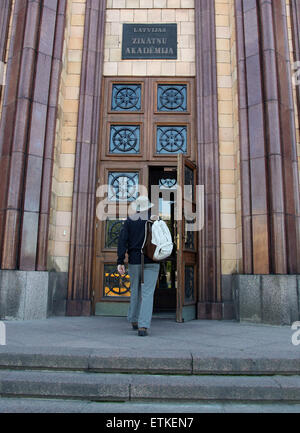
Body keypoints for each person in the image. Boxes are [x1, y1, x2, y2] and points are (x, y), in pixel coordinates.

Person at [117, 196, 160, 336]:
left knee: (135, 290)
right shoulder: (155, 220)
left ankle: (134, 320)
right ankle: (143, 326)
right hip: (152, 261)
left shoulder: (130, 221)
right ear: (148, 207)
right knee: (147, 294)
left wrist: (120, 261)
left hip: (135, 261)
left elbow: (122, 241)